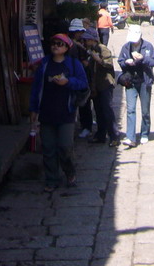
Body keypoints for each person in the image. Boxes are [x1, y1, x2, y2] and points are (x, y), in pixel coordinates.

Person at [29, 33, 88, 192]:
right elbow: (36, 88)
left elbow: (83, 83)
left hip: (66, 111)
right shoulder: (45, 64)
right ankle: (51, 179)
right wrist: (34, 109)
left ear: (66, 48)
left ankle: (69, 172)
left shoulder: (74, 65)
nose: (55, 46)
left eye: (59, 44)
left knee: (65, 146)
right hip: (47, 111)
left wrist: (68, 81)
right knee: (48, 148)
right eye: (53, 43)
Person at [117, 24, 154, 147]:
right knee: (130, 109)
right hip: (130, 82)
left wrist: (143, 58)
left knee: (145, 110)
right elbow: (120, 61)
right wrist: (126, 62)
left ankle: (145, 133)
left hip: (144, 81)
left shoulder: (148, 46)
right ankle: (130, 137)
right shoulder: (126, 47)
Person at [81, 27, 119, 146]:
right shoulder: (90, 50)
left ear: (92, 39)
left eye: (87, 40)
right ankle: (101, 135)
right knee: (98, 111)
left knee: (107, 110)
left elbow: (109, 64)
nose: (85, 42)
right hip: (96, 85)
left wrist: (99, 60)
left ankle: (114, 136)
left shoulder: (103, 49)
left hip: (105, 84)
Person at [67, 18, 94, 138]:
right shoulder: (70, 43)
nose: (80, 34)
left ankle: (86, 126)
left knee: (84, 102)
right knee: (77, 102)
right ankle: (81, 125)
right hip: (74, 75)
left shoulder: (81, 43)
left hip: (82, 76)